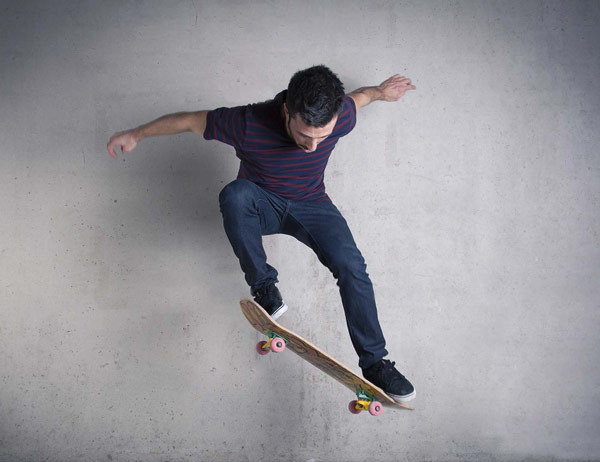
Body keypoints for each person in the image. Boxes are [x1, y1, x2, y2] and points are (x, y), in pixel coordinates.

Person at [107, 65, 417, 403]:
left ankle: (375, 363)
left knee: (352, 267)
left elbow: (363, 96)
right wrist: (137, 134)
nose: (312, 147)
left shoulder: (341, 116)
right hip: (262, 206)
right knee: (235, 194)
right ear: (287, 111)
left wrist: (382, 91)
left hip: (313, 205)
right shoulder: (247, 122)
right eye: (304, 136)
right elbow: (188, 120)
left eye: (322, 138)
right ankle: (265, 289)